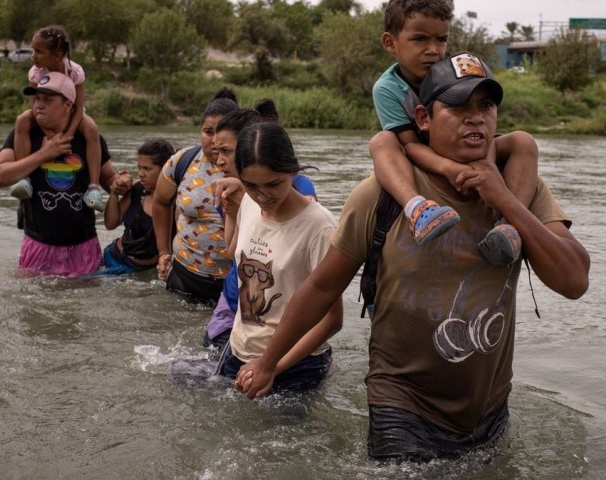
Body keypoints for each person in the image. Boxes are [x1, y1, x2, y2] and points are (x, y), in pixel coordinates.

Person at [235, 55, 590, 460]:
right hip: (401, 406)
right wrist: (267, 363)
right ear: (423, 117)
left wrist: (507, 203)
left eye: (486, 107)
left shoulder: (521, 187)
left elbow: (574, 282)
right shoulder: (383, 194)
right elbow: (321, 286)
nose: (475, 119)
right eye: (458, 107)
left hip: (489, 407)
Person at [370, 0, 538, 266]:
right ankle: (417, 208)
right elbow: (410, 146)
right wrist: (451, 169)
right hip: (425, 153)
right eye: (420, 39)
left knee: (523, 141)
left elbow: (482, 126)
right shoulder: (388, 88)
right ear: (391, 43)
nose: (433, 50)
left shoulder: (452, 71)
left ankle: (510, 227)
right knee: (382, 141)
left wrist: (486, 165)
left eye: (441, 39)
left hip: (465, 145)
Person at [216, 122, 343, 394]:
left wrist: (271, 366)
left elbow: (332, 319)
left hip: (296, 366)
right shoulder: (248, 204)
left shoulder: (319, 227)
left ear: (292, 170)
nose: (263, 196)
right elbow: (234, 254)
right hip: (239, 353)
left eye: (273, 184)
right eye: (252, 185)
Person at [204, 100, 317, 351]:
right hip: (236, 305)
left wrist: (247, 192)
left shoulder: (293, 189)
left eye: (227, 151)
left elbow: (306, 215)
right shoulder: (237, 191)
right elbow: (233, 251)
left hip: (271, 316)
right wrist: (233, 211)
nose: (220, 161)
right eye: (217, 151)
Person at [0, 72, 122, 277]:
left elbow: (108, 179)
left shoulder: (88, 138)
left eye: (48, 100)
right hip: (37, 244)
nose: (38, 105)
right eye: (37, 99)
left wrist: (122, 182)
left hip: (83, 245)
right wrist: (44, 154)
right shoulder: (25, 135)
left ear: (68, 105)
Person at [152, 88, 238, 304]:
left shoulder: (250, 165)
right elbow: (161, 202)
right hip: (185, 274)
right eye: (208, 131)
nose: (215, 140)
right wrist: (163, 252)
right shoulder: (182, 161)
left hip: (235, 282)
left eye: (221, 133)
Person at [9, 25, 104, 212]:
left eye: (39, 51)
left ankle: (94, 188)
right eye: (32, 50)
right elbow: (34, 105)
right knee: (22, 120)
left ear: (57, 55)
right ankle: (24, 179)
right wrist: (47, 131)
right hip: (43, 114)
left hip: (71, 113)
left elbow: (77, 107)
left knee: (92, 128)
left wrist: (67, 135)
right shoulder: (36, 73)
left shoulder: (75, 72)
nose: (33, 55)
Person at [102, 139, 175, 275]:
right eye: (139, 168)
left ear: (166, 168)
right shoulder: (136, 190)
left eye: (147, 168)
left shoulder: (176, 201)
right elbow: (110, 224)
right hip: (116, 259)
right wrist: (114, 192)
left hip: (149, 269)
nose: (141, 173)